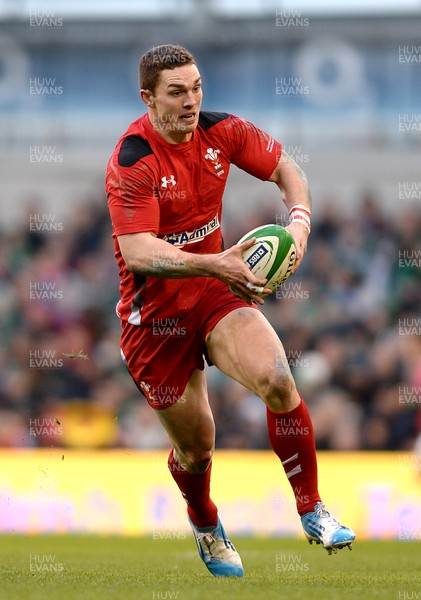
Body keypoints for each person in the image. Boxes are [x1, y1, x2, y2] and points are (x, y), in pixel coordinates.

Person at [105, 44, 355, 577]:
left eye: (197, 87)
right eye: (177, 92)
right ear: (148, 98)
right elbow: (138, 252)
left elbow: (287, 167)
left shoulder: (224, 132)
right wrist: (216, 261)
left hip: (216, 294)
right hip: (154, 323)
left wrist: (300, 222)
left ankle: (312, 509)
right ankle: (204, 521)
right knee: (197, 449)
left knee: (278, 378)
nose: (191, 100)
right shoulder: (132, 160)